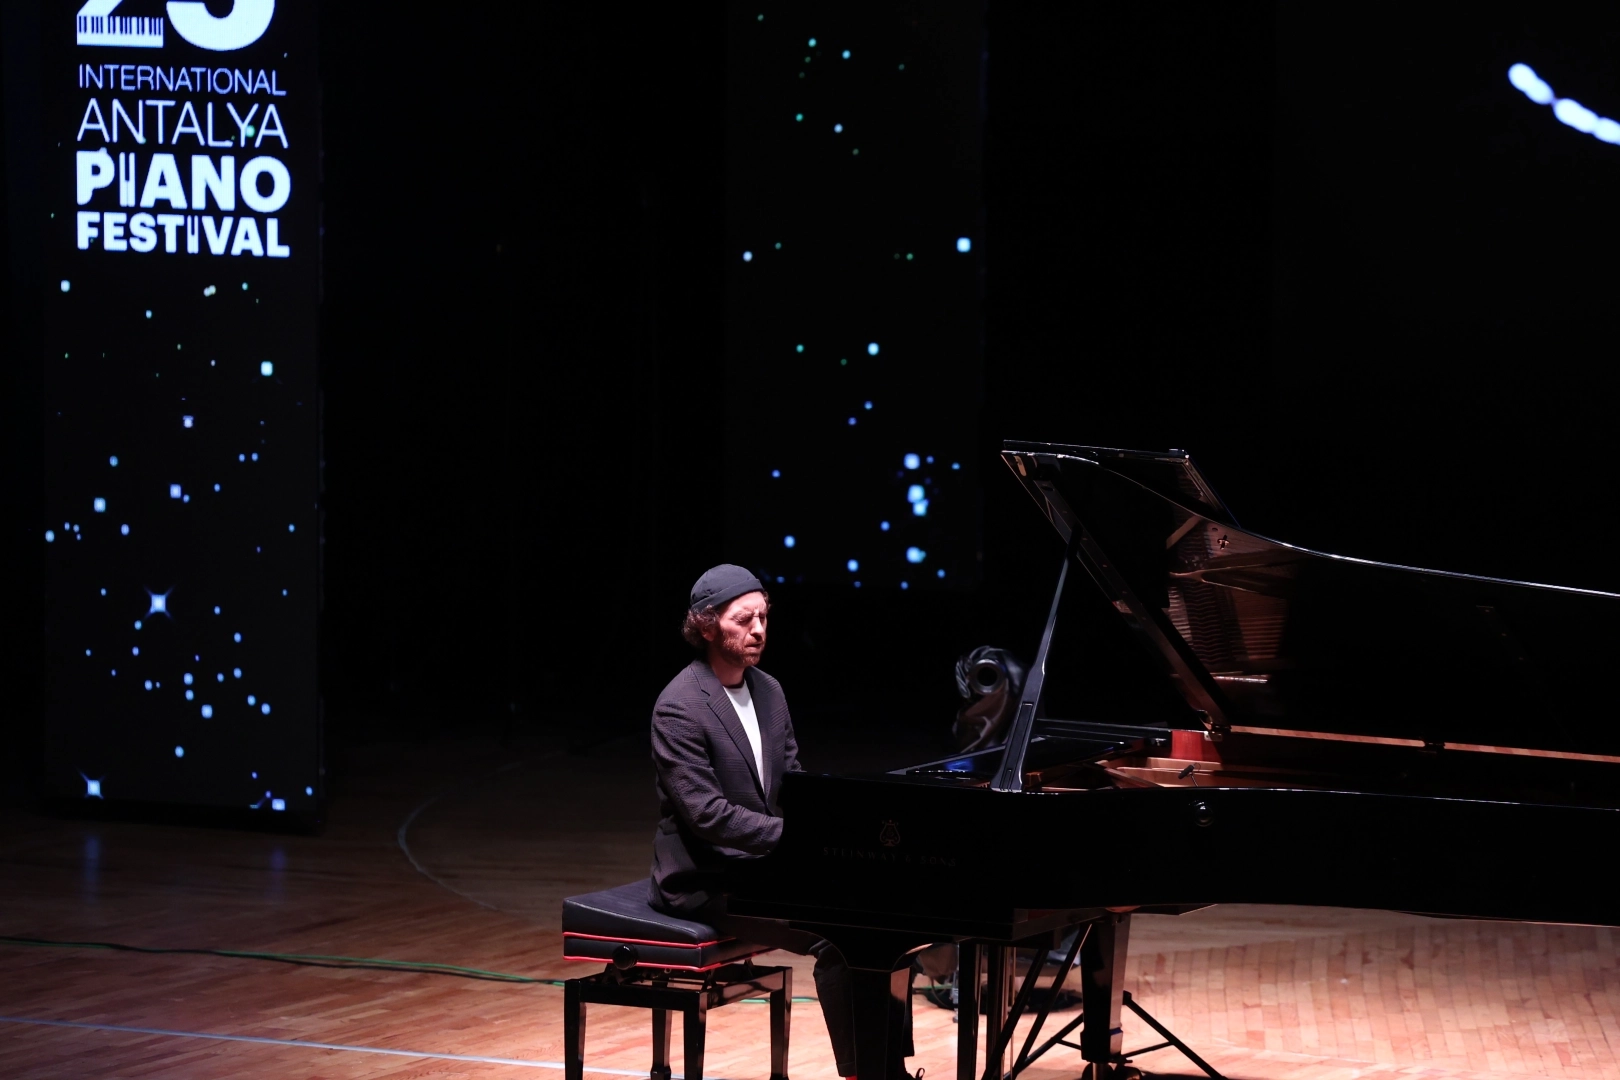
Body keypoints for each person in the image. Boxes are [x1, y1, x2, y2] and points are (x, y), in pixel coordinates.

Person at [648, 564, 912, 1079]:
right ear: (707, 625)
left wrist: (835, 827)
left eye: (764, 617)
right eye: (743, 619)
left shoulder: (769, 691)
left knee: (892, 916)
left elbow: (793, 782)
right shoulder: (678, 707)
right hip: (706, 880)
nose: (758, 629)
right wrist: (799, 839)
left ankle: (890, 1068)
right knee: (840, 938)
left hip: (765, 868)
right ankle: (862, 1072)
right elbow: (707, 815)